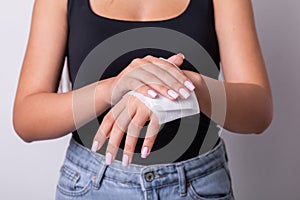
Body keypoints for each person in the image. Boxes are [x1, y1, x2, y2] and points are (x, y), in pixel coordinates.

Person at [13, 0, 273, 199]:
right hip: (92, 185)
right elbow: (27, 119)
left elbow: (258, 112)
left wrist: (184, 83)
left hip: (198, 184)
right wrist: (114, 88)